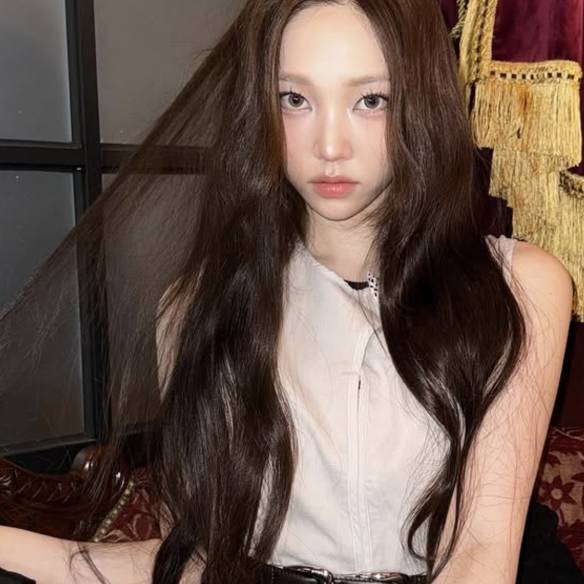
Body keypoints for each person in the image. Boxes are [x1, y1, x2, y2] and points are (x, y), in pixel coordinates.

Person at [0, 1, 575, 583]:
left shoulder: (518, 287)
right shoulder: (193, 308)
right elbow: (198, 564)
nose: (330, 145)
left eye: (371, 100)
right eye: (295, 99)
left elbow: (480, 559)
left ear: (422, 103)